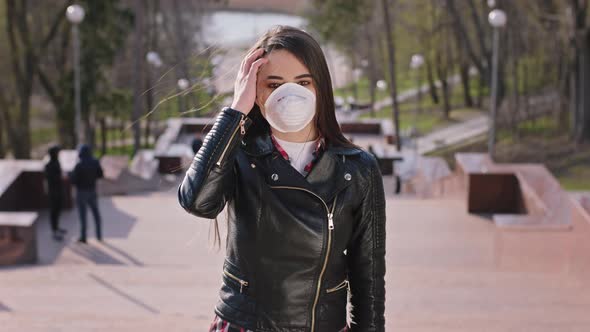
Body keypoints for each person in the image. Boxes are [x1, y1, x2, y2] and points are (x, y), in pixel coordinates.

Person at [178, 25, 386, 332]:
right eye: (274, 85)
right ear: (256, 92)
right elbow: (197, 202)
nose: (291, 95)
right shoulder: (238, 154)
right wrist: (236, 110)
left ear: (320, 88)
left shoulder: (358, 169)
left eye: (303, 82)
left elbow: (368, 276)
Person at [69, 144, 104, 244]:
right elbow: (100, 175)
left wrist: (70, 175)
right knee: (96, 214)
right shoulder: (95, 162)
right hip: (92, 191)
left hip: (81, 192)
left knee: (83, 216)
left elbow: (73, 181)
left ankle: (84, 237)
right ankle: (99, 235)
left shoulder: (79, 165)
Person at [44, 145, 67, 241]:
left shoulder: (56, 162)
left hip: (58, 190)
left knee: (58, 210)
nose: (58, 154)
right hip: (53, 192)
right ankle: (54, 231)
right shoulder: (49, 165)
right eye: (57, 153)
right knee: (54, 211)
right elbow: (51, 179)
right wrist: (61, 177)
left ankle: (57, 227)